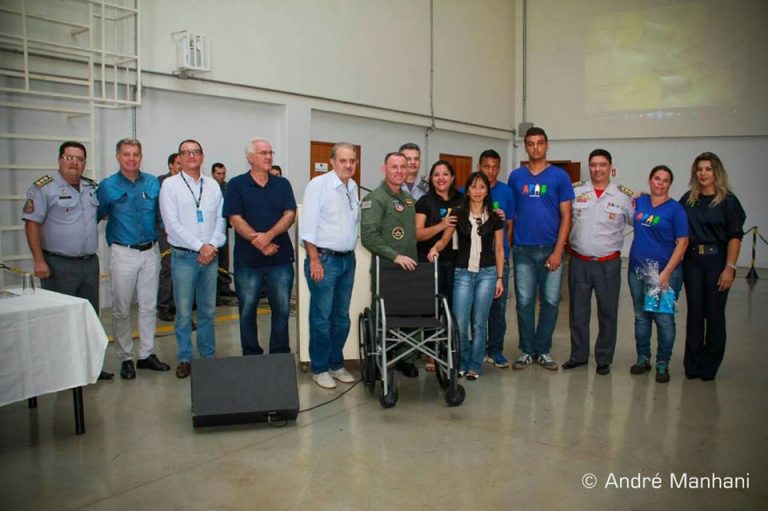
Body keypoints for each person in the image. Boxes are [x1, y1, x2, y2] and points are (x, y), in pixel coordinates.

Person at [22, 141, 113, 380]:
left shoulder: (91, 187)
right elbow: (31, 224)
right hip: (58, 264)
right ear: (60, 159)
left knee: (90, 317)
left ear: (85, 162)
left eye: (79, 158)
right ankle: (62, 370)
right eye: (69, 157)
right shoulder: (43, 188)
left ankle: (91, 367)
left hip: (89, 263)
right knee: (60, 319)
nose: (74, 163)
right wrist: (38, 260)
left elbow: (101, 214)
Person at [98, 138, 170, 379]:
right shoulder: (107, 186)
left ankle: (146, 354)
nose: (131, 159)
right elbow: (98, 214)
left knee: (149, 307)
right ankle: (126, 357)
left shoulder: (152, 183)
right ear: (118, 156)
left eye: (135, 154)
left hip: (150, 252)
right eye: (126, 154)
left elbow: (161, 216)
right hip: (123, 253)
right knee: (121, 308)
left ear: (141, 156)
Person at [507, 127, 574, 371]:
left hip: (550, 250)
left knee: (550, 301)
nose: (536, 147)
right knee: (524, 302)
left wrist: (558, 251)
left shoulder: (560, 177)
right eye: (531, 143)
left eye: (540, 143)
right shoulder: (516, 177)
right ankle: (527, 350)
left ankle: (543, 350)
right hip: (523, 250)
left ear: (547, 145)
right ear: (526, 147)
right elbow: (511, 214)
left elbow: (566, 217)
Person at [563, 149, 634, 375]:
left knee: (608, 313)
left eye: (602, 165)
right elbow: (563, 219)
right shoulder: (575, 191)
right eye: (593, 165)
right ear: (589, 166)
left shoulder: (624, 197)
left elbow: (641, 223)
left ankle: (604, 358)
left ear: (610, 167)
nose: (597, 169)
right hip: (579, 262)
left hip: (608, 264)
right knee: (578, 313)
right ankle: (578, 355)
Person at [159, 139, 226, 378]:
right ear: (179, 158)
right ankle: (185, 357)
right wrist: (200, 247)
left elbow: (221, 219)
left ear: (202, 156)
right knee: (184, 312)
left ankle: (207, 356)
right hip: (184, 257)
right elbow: (171, 225)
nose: (191, 156)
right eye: (186, 152)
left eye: (195, 152)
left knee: (208, 311)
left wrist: (212, 245)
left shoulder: (212, 186)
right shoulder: (170, 185)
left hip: (211, 257)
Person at [223, 138, 296, 356]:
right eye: (263, 153)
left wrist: (269, 236)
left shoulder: (282, 184)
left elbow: (290, 214)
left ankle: (279, 355)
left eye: (270, 153)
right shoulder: (236, 184)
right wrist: (261, 243)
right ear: (250, 158)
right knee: (247, 311)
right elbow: (235, 218)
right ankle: (251, 355)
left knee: (282, 310)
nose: (268, 157)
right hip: (248, 262)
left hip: (280, 259)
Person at [428, 172, 504, 380]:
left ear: (487, 191)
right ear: (467, 190)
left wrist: (500, 278)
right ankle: (462, 361)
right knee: (460, 323)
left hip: (487, 274)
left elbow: (499, 249)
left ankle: (475, 365)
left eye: (482, 187)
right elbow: (445, 240)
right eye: (473, 187)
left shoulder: (495, 217)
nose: (478, 191)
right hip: (462, 273)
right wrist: (435, 247)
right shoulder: (458, 213)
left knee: (479, 323)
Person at [680, 152, 746, 381]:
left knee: (714, 314)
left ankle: (709, 366)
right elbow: (671, 217)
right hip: (692, 263)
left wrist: (730, 267)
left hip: (717, 262)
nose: (703, 173)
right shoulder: (689, 199)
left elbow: (735, 236)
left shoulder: (728, 201)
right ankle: (693, 364)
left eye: (708, 169)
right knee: (695, 314)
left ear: (716, 172)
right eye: (699, 169)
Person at [300, 143, 360, 389]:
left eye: (352, 161)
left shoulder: (352, 187)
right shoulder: (318, 185)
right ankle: (320, 368)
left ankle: (336, 364)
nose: (348, 165)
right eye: (343, 160)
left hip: (347, 261)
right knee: (321, 319)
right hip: (324, 261)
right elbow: (307, 227)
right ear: (332, 162)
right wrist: (314, 260)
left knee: (341, 318)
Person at [360, 151, 419, 377]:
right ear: (384, 169)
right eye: (394, 167)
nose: (399, 171)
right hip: (386, 269)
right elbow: (368, 237)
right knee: (384, 316)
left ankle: (406, 357)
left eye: (403, 167)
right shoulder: (375, 199)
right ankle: (379, 358)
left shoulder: (408, 199)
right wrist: (395, 257)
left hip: (410, 268)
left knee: (410, 313)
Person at [628, 165, 689, 383]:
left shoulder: (676, 209)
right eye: (656, 178)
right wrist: (636, 196)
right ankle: (643, 357)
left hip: (664, 274)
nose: (660, 183)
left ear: (669, 184)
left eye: (665, 180)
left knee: (663, 319)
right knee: (641, 317)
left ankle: (663, 361)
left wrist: (666, 273)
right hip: (637, 270)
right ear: (650, 180)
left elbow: (683, 243)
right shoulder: (641, 201)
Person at [415, 160, 463, 372]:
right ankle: (431, 352)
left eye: (445, 174)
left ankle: (450, 348)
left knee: (453, 307)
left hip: (457, 261)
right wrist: (441, 225)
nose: (441, 178)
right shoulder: (425, 202)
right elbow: (418, 234)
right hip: (429, 261)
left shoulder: (462, 200)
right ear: (431, 179)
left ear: (452, 177)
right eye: (436, 174)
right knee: (432, 308)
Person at [477, 149, 516, 369]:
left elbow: (510, 227)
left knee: (498, 307)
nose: (490, 171)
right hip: (475, 259)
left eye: (494, 167)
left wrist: (504, 253)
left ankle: (495, 349)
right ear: (479, 167)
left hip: (499, 258)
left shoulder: (507, 192)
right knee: (476, 307)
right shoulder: (467, 189)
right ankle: (478, 348)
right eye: (486, 166)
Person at [157, 153, 182, 322]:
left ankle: (177, 305)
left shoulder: (185, 182)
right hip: (165, 232)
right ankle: (164, 306)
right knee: (168, 268)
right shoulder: (161, 182)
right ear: (170, 165)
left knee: (181, 270)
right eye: (178, 163)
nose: (181, 166)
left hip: (183, 234)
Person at [211, 162, 237, 305]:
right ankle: (214, 293)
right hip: (210, 230)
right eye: (218, 173)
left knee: (224, 260)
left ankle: (224, 287)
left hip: (224, 228)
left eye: (223, 173)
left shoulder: (228, 187)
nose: (221, 176)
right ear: (213, 174)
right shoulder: (209, 187)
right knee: (213, 261)